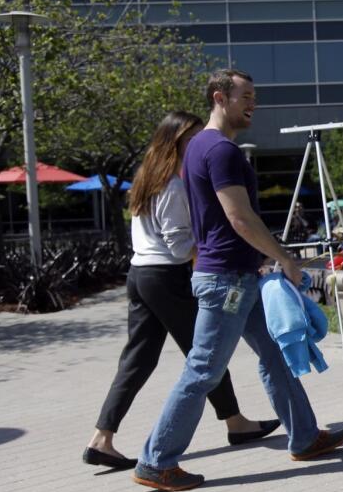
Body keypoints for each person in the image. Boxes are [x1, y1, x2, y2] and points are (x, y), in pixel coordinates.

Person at [133, 70, 343, 492]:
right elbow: (239, 216)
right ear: (220, 97)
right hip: (227, 281)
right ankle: (156, 461)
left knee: (273, 354)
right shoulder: (222, 151)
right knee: (203, 371)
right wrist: (284, 257)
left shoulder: (197, 146)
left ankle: (304, 436)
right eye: (246, 96)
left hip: (235, 276)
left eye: (255, 96)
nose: (253, 104)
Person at [84, 112, 279, 471]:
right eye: (189, 141)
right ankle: (234, 424)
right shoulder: (172, 186)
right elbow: (177, 246)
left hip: (140, 274)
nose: (195, 147)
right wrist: (209, 257)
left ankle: (102, 438)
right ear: (172, 143)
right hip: (165, 278)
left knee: (139, 360)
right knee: (207, 354)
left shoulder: (145, 181)